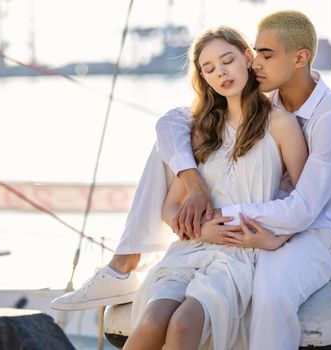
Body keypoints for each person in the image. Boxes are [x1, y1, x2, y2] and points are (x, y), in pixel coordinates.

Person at [52, 10, 331, 350]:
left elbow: (303, 209)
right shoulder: (242, 106)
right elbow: (171, 126)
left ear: (299, 58)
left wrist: (232, 226)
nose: (256, 63)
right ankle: (126, 258)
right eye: (210, 68)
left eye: (262, 55)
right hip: (221, 236)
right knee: (154, 317)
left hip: (315, 230)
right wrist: (195, 188)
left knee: (269, 294)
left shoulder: (326, 118)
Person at [123, 25, 307, 350]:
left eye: (227, 60)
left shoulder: (281, 124)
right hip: (193, 247)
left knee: (183, 324)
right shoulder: (201, 131)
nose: (221, 73)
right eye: (209, 69)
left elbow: (306, 201)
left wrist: (275, 239)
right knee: (152, 320)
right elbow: (170, 208)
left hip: (241, 253)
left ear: (248, 59)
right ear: (204, 79)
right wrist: (199, 231)